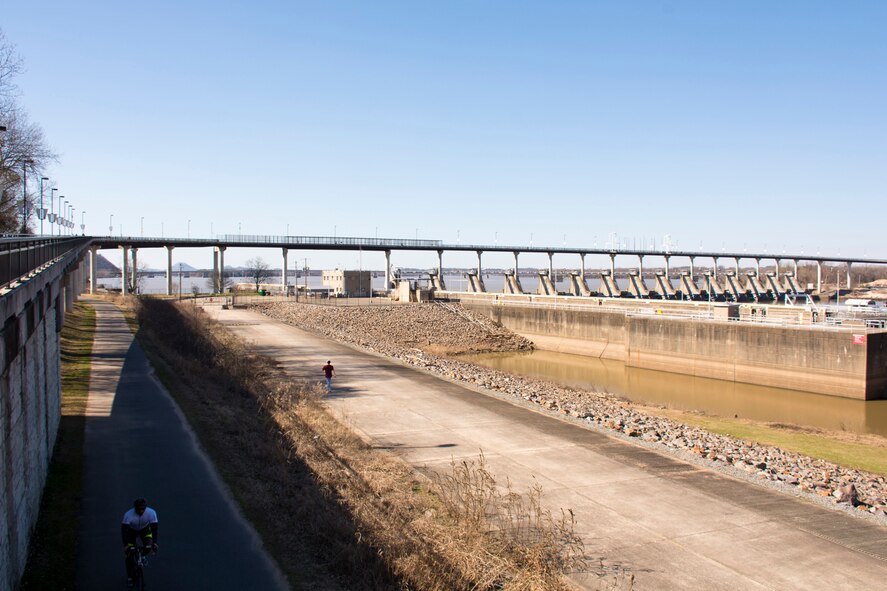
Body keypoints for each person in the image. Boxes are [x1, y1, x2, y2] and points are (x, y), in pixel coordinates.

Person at [121, 498, 158, 587]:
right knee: (130, 554)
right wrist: (126, 545)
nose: (141, 511)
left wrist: (155, 543)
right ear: (135, 508)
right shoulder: (128, 515)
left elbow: (154, 529)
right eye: (139, 509)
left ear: (145, 508)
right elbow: (124, 531)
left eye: (143, 509)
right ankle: (130, 577)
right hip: (131, 531)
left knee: (148, 546)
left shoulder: (151, 513)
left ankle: (143, 556)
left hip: (144, 529)